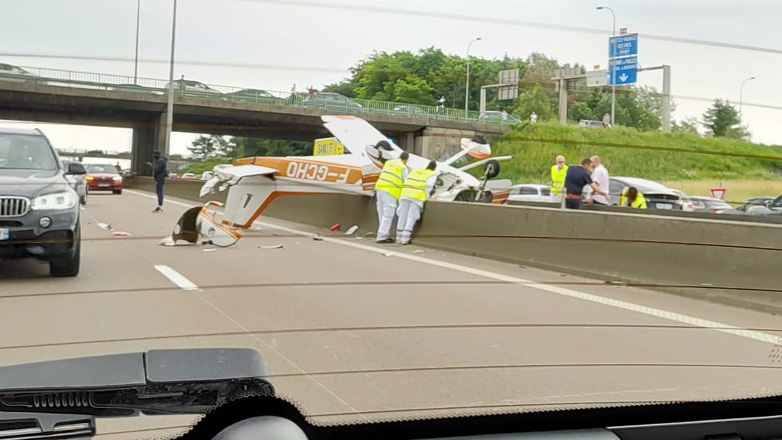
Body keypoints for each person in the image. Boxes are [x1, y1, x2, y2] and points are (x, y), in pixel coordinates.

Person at [396, 160, 438, 245]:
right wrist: (427, 196)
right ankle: (405, 238)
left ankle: (398, 237)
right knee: (411, 216)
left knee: (402, 215)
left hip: (405, 193)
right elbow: (428, 186)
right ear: (434, 168)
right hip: (417, 196)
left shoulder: (415, 171)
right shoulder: (432, 174)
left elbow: (406, 179)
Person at [374, 148, 409, 243]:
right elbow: (406, 182)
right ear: (406, 160)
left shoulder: (388, 162)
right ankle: (381, 236)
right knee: (388, 215)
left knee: (381, 213)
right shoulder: (403, 167)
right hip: (390, 192)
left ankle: (384, 234)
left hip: (379, 188)